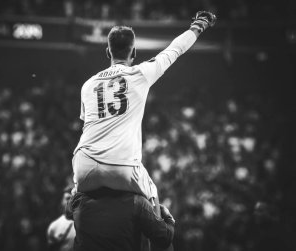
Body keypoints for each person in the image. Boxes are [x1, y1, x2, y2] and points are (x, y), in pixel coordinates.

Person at [72, 11, 217, 214]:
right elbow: (175, 49)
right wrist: (198, 25)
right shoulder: (140, 74)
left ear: (107, 52)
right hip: (121, 166)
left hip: (83, 165)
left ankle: (73, 207)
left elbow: (87, 124)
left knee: (75, 203)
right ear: (134, 53)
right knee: (158, 215)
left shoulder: (87, 85)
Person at [66, 187, 176, 251]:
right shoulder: (137, 202)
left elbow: (68, 213)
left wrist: (75, 193)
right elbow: (163, 238)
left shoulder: (78, 200)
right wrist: (169, 219)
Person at [47, 186, 76, 251]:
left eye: (73, 198)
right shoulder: (54, 226)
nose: (71, 201)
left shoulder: (87, 223)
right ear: (61, 202)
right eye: (68, 198)